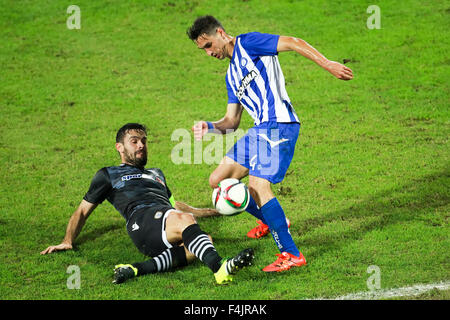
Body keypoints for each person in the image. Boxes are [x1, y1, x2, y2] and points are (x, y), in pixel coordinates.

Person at [187, 16, 353, 272]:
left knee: (257, 185)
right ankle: (271, 219)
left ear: (220, 33)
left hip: (279, 125)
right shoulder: (231, 76)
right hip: (259, 129)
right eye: (203, 50)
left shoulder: (249, 43)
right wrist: (209, 126)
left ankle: (291, 254)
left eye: (208, 45)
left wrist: (327, 63)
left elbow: (294, 42)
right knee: (218, 179)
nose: (209, 53)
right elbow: (231, 121)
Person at [40, 123, 254, 285]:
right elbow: (83, 210)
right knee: (186, 223)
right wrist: (67, 240)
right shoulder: (108, 174)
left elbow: (175, 206)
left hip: (164, 220)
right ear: (120, 147)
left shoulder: (156, 174)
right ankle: (219, 269)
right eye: (134, 141)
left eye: (143, 141)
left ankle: (134, 269)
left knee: (203, 241)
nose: (141, 145)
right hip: (140, 222)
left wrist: (213, 211)